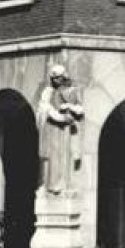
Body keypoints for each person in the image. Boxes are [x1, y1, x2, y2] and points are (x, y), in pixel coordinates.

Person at [36, 63, 84, 195]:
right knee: (52, 157)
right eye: (55, 78)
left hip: (66, 131)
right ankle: (50, 185)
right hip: (52, 130)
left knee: (64, 155)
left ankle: (63, 184)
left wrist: (68, 107)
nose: (57, 81)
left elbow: (80, 109)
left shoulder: (71, 91)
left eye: (60, 78)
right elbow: (45, 109)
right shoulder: (47, 91)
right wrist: (60, 117)